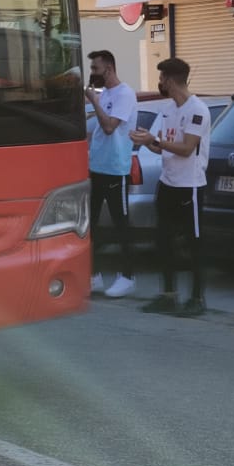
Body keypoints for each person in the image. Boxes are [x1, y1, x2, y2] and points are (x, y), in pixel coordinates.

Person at [131, 58, 211, 317]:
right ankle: (168, 295)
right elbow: (160, 145)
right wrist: (146, 141)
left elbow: (187, 149)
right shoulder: (167, 110)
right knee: (163, 241)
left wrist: (156, 141)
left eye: (163, 78)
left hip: (191, 187)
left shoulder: (197, 110)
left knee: (193, 244)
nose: (161, 82)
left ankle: (197, 298)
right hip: (168, 184)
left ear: (173, 80)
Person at [86, 49, 138, 299]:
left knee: (121, 225)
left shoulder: (125, 94)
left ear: (108, 68)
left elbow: (109, 127)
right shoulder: (106, 94)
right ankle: (94, 276)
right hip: (97, 168)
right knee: (91, 225)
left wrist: (94, 101)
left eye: (95, 69)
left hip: (116, 170)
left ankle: (127, 276)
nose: (92, 74)